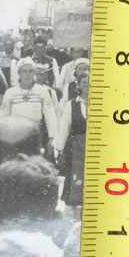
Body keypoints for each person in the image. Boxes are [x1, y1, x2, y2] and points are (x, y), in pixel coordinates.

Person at [0, 57, 59, 160]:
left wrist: (52, 138)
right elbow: (2, 115)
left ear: (34, 73)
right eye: (24, 71)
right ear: (19, 73)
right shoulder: (10, 92)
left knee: (33, 166)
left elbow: (50, 114)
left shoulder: (42, 91)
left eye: (31, 71)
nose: (27, 74)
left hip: (35, 135)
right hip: (15, 135)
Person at [55, 67, 89, 211]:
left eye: (91, 84)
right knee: (76, 178)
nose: (88, 87)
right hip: (77, 148)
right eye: (85, 83)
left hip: (97, 147)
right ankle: (75, 208)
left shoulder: (103, 104)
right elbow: (64, 128)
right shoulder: (71, 104)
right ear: (79, 86)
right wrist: (59, 149)